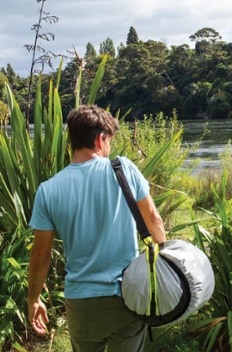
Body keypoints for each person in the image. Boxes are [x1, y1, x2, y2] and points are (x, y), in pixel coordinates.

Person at [27, 104, 166, 352]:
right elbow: (154, 220)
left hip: (81, 301)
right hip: (126, 295)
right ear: (101, 139)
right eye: (109, 140)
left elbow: (40, 255)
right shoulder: (123, 169)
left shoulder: (48, 190)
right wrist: (165, 268)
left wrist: (34, 299)